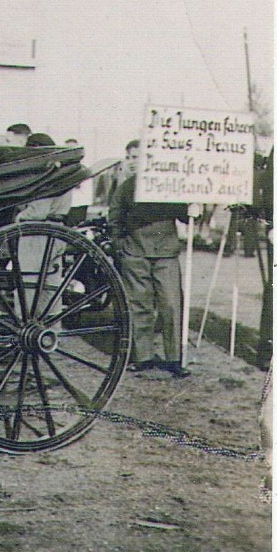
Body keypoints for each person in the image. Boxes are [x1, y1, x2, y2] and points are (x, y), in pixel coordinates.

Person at [108, 139, 190, 378]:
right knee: (139, 305)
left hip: (166, 253)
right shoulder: (125, 187)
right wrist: (120, 245)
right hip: (135, 253)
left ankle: (173, 358)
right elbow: (114, 217)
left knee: (172, 305)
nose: (134, 162)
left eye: (139, 157)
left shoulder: (169, 185)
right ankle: (142, 356)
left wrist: (194, 209)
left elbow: (185, 214)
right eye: (131, 157)